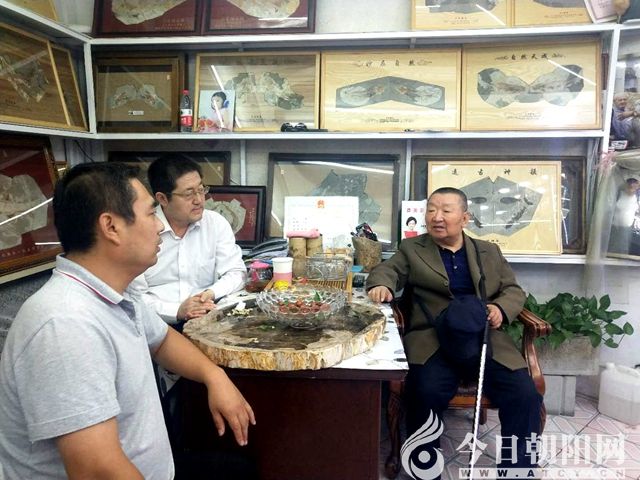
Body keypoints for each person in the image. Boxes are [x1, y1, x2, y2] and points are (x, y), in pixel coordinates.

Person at [0, 163, 255, 479]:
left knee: (239, 469)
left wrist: (214, 376)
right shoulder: (64, 326)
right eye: (151, 214)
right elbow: (97, 470)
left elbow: (161, 340)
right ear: (111, 227)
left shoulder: (118, 292)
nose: (159, 226)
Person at [367, 187, 541, 471]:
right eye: (431, 210)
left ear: (464, 218)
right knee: (424, 393)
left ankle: (518, 471)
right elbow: (388, 270)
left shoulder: (489, 251)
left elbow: (512, 289)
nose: (437, 217)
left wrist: (500, 308)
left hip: (483, 336)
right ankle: (425, 470)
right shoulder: (412, 248)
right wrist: (381, 284)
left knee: (524, 395)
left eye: (446, 210)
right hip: (432, 338)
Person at [133, 153, 247, 328]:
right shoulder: (141, 231)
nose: (199, 200)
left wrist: (211, 293)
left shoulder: (215, 223)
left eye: (201, 190)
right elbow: (133, 296)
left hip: (208, 319)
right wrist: (176, 311)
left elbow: (236, 272)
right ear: (162, 198)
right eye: (189, 194)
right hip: (157, 324)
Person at [609, 177, 640, 255]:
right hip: (614, 227)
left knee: (623, 249)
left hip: (628, 230)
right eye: (630, 182)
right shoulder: (619, 194)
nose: (632, 185)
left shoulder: (638, 197)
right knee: (612, 249)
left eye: (635, 182)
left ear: (638, 185)